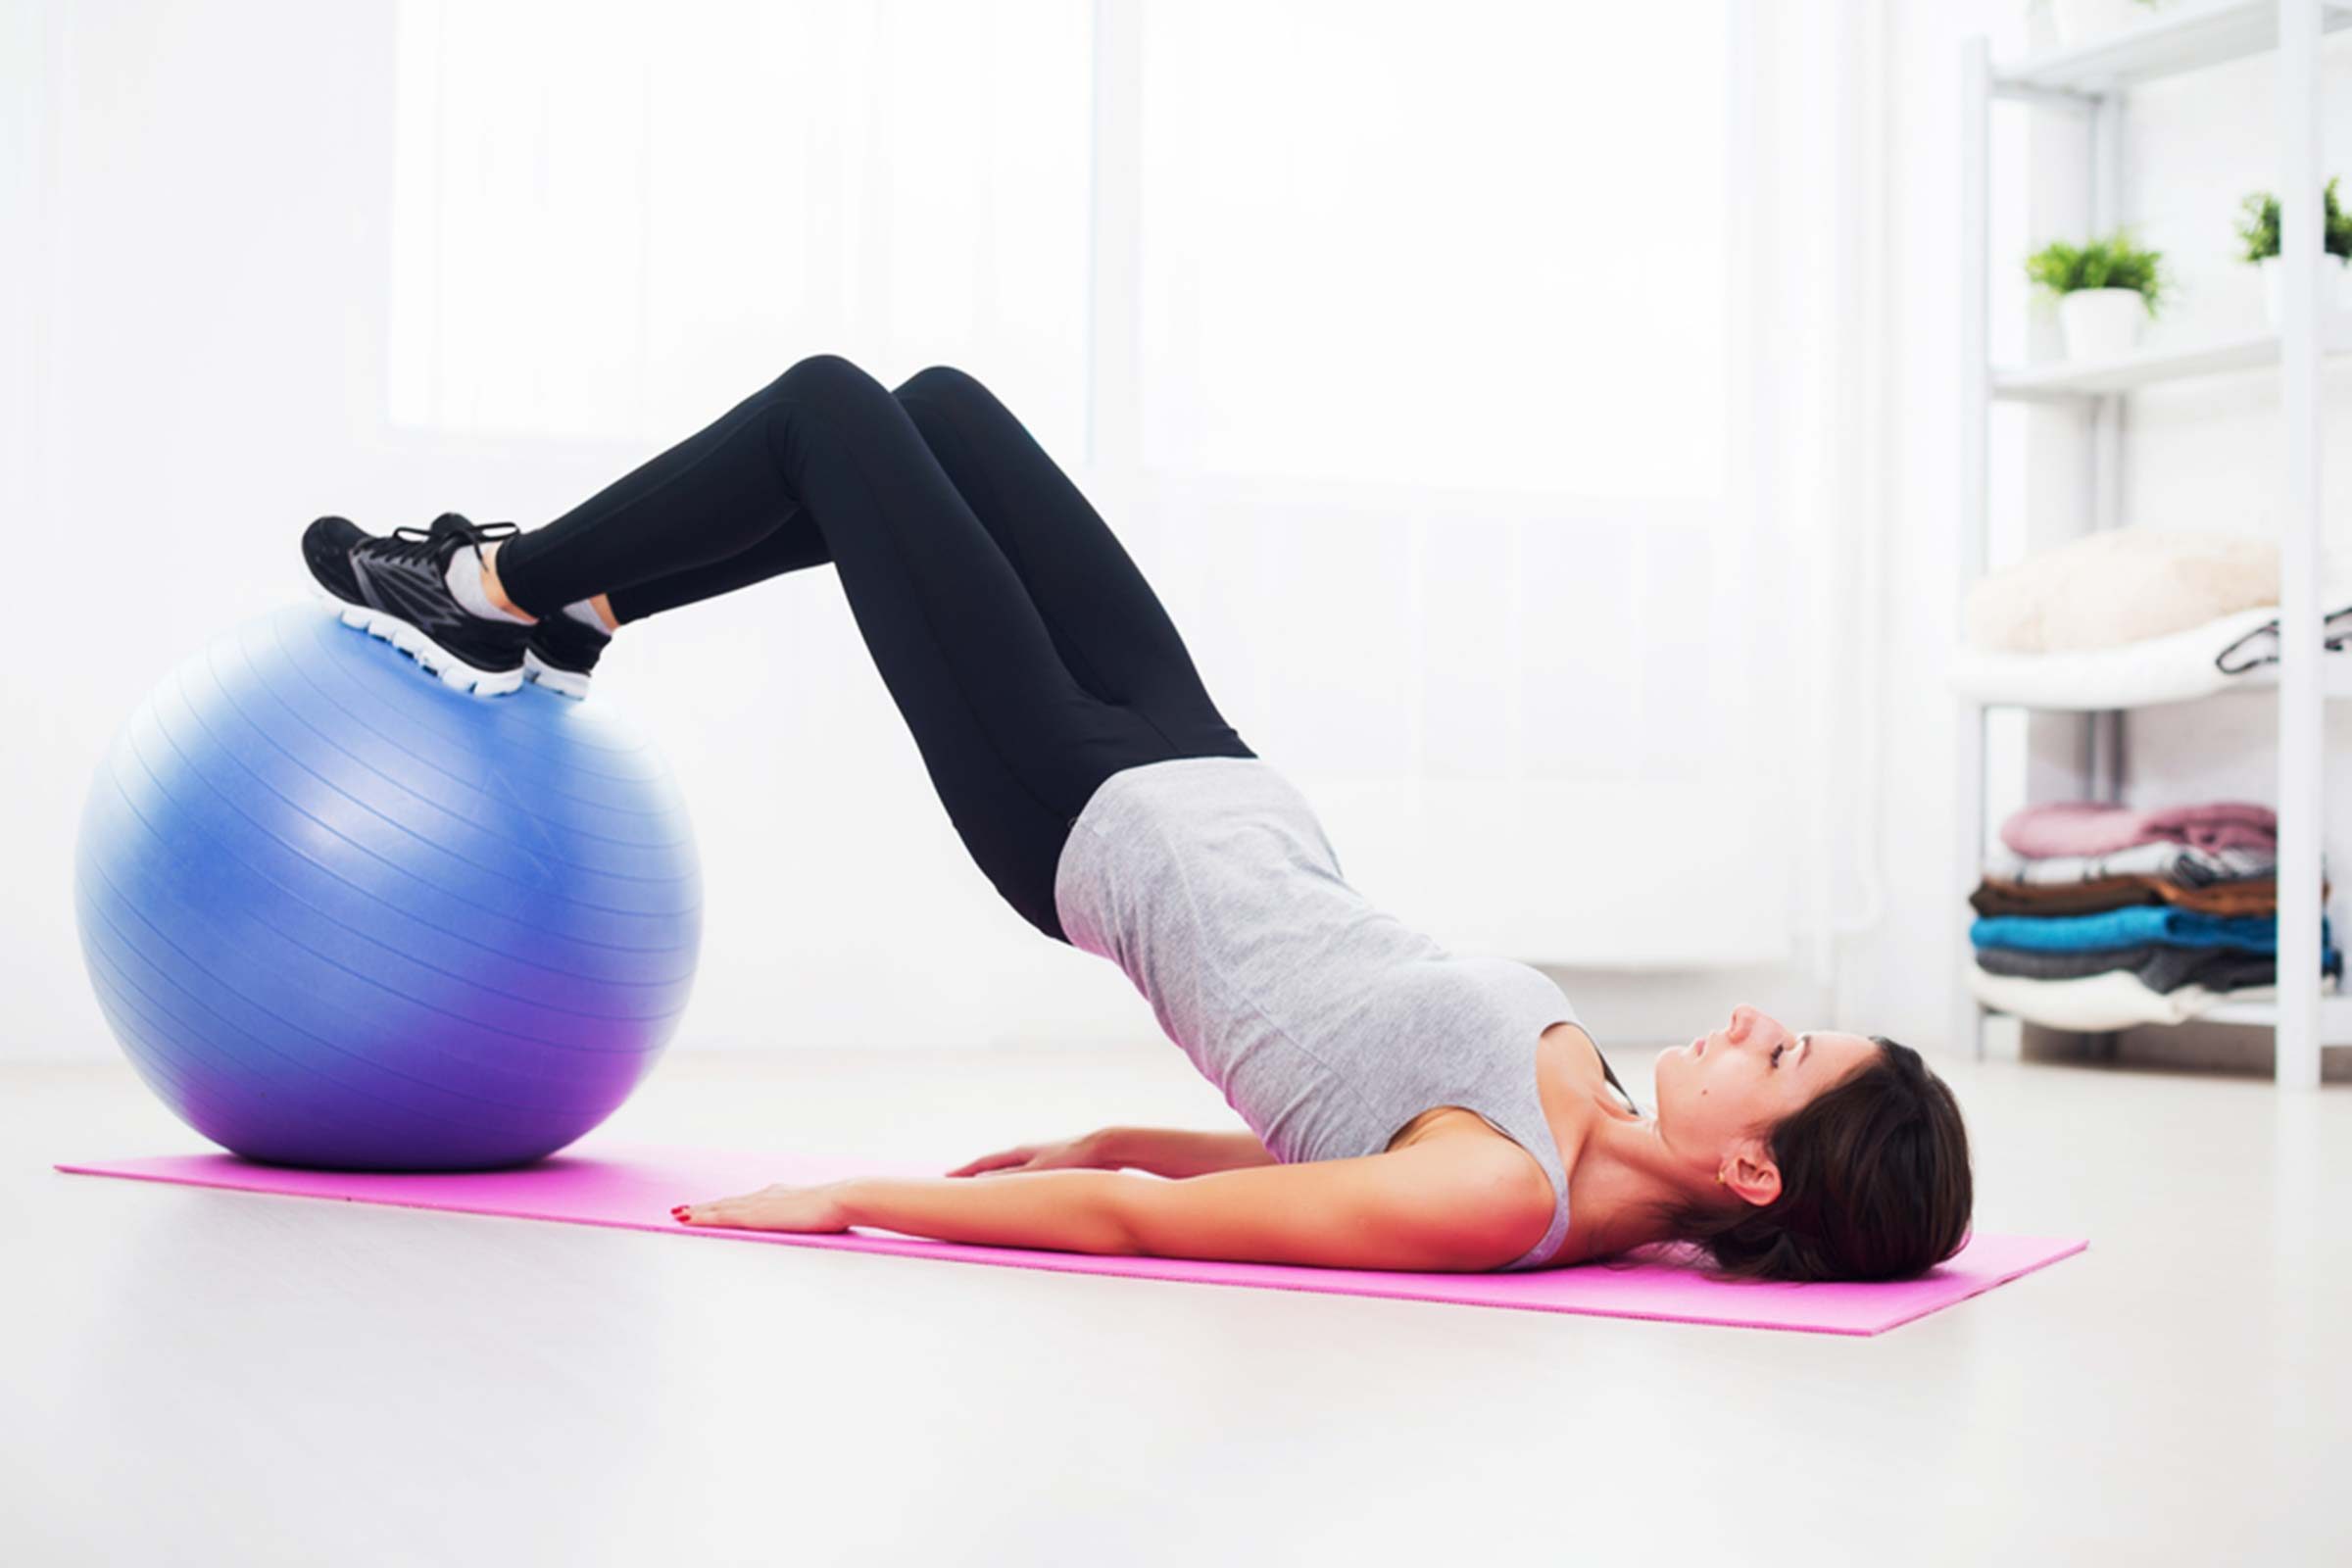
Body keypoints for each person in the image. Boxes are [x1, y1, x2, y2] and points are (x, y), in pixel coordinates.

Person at [303, 353, 1972, 1280]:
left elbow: (1156, 1231)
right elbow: (1315, 1138)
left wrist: (862, 1198)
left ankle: (484, 589)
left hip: (1079, 813)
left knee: (830, 411)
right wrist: (1122, 1129)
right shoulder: (1585, 1131)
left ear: (1752, 1172)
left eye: (1783, 1054)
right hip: (1199, 760)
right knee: (943, 408)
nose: (1754, 1023)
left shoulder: (1500, 1205)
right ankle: (586, 610)